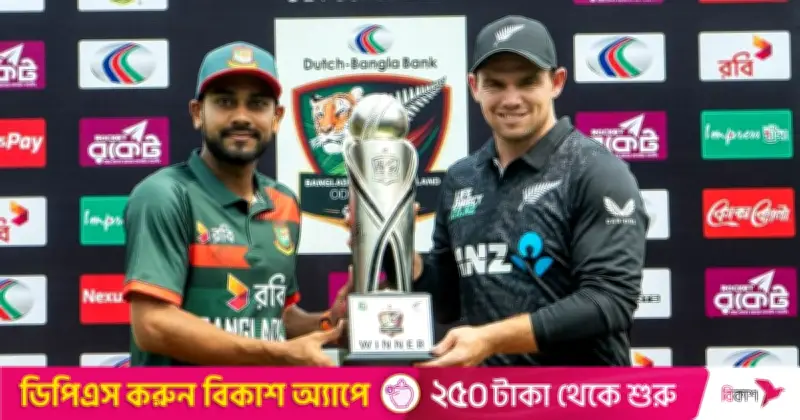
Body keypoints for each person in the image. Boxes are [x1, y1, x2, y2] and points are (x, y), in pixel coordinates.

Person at [345, 16, 649, 367]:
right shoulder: (462, 177)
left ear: (556, 82)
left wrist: (490, 339)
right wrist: (393, 244)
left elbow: (608, 301)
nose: (511, 99)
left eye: (528, 82)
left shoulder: (595, 170)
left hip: (578, 392)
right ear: (474, 87)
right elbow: (447, 304)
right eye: (495, 84)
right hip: (488, 392)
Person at [122, 41, 348, 366]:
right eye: (225, 102)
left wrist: (329, 324)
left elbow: (274, 318)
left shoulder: (284, 202)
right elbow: (152, 325)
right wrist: (280, 355)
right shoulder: (164, 194)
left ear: (276, 118)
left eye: (257, 104)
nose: (242, 117)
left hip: (261, 396)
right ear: (197, 113)